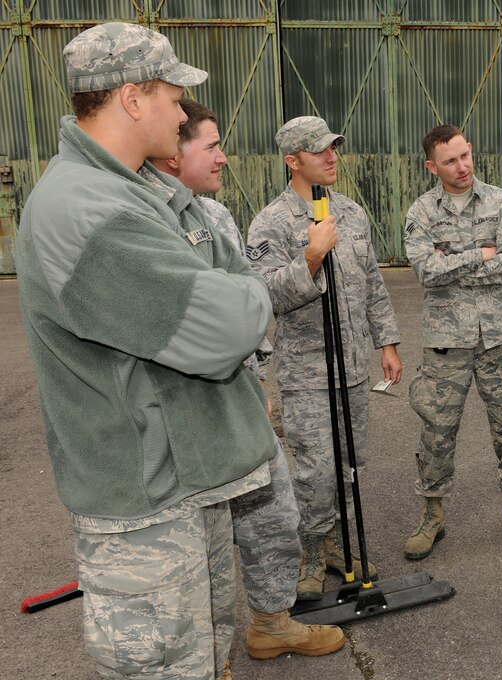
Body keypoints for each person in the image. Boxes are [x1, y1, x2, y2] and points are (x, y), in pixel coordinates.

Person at [16, 23, 274, 679]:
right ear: (132, 99)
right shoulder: (87, 208)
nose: (181, 112)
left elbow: (219, 269)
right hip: (145, 515)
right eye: (170, 95)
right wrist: (244, 293)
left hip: (183, 484)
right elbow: (229, 328)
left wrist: (230, 286)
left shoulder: (133, 188)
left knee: (209, 658)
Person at [151, 99, 344, 660]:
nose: (223, 158)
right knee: (202, 545)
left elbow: (248, 302)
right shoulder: (144, 216)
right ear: (172, 150)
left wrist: (256, 380)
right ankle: (209, 660)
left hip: (238, 392)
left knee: (274, 516)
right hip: (188, 405)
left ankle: (271, 621)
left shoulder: (215, 217)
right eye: (210, 146)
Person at [246, 116, 403, 601]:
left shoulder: (351, 213)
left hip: (352, 367)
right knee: (315, 470)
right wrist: (311, 257)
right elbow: (263, 295)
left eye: (334, 147)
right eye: (319, 151)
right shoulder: (271, 222)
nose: (331, 157)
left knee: (349, 464)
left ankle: (339, 544)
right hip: (307, 372)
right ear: (292, 160)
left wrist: (388, 341)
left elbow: (373, 283)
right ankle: (311, 553)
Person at [401, 124, 502, 559]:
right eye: (450, 160)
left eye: (465, 155)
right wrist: (480, 253)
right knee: (437, 429)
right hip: (446, 340)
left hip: (498, 337)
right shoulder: (422, 211)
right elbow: (424, 271)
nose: (462, 167)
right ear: (432, 166)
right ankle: (431, 514)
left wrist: (453, 261)